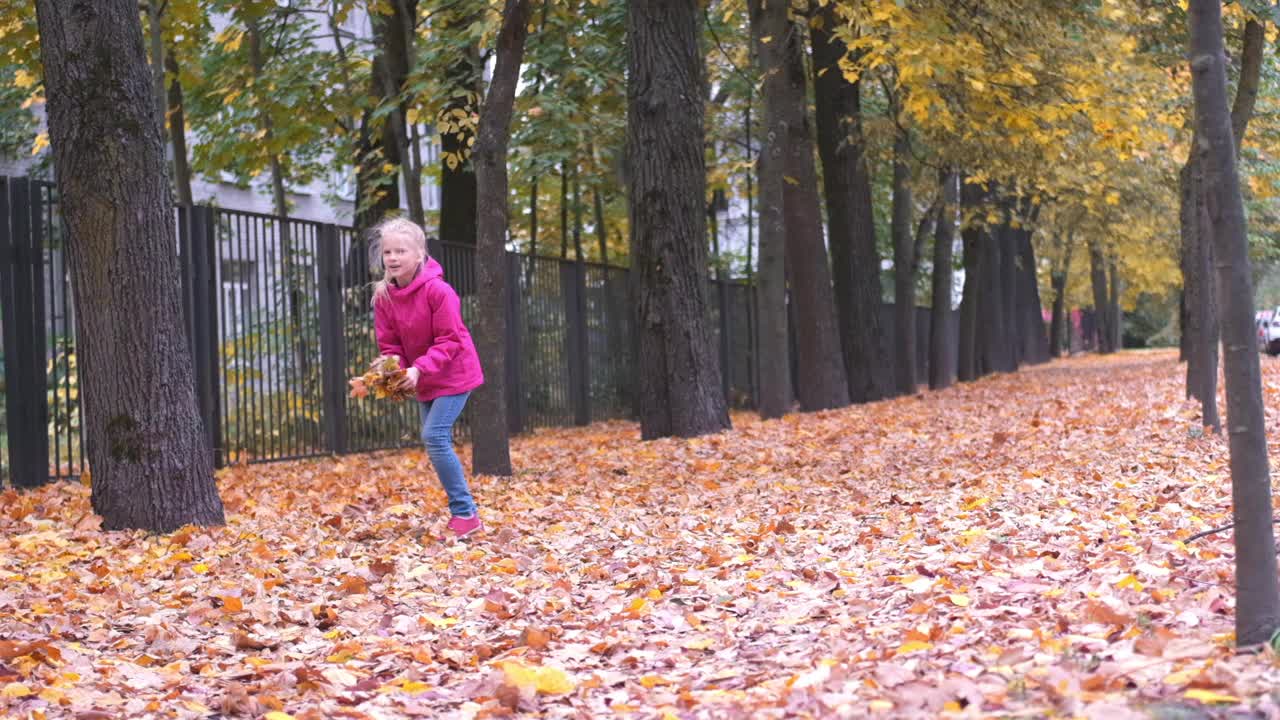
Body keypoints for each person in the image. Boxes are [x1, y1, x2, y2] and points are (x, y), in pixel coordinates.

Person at [371, 218, 485, 538]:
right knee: (436, 441)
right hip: (423, 378)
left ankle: (465, 514)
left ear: (419, 253)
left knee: (434, 437)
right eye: (388, 252)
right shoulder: (384, 297)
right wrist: (393, 368)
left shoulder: (439, 291)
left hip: (455, 373)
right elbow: (390, 344)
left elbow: (450, 340)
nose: (392, 258)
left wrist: (418, 368)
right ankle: (465, 512)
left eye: (401, 251)